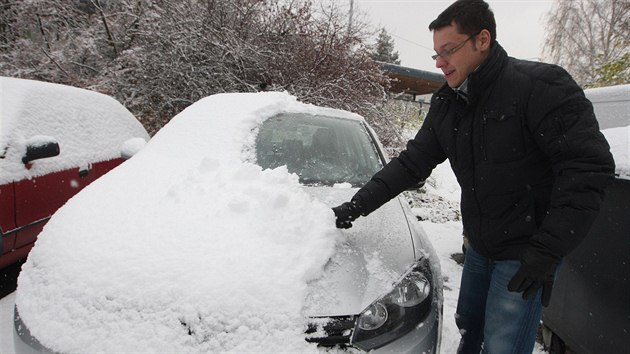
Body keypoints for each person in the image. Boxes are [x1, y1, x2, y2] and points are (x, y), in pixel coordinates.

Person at [332, 0, 615, 353]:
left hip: (525, 255)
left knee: (503, 344)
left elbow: (588, 167)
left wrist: (547, 250)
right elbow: (410, 164)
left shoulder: (540, 87)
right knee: (471, 328)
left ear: (483, 40)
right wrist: (355, 206)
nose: (439, 63)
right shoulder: (448, 103)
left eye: (448, 50)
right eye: (436, 54)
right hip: (480, 247)